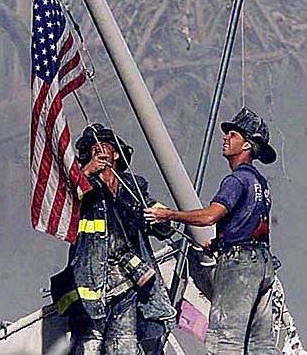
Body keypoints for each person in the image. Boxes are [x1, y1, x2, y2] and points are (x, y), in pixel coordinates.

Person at [144, 107, 279, 354]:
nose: (225, 138)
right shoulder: (260, 182)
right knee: (261, 344)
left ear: (247, 145)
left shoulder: (237, 180)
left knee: (225, 340)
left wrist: (168, 214)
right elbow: (251, 223)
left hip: (239, 266)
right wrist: (219, 242)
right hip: (262, 263)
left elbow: (209, 217)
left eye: (234, 135)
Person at [50, 123, 176, 355]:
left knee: (123, 344)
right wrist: (85, 172)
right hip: (89, 282)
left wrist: (164, 219)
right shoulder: (83, 187)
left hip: (128, 280)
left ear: (116, 153)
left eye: (103, 145)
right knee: (89, 344)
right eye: (91, 148)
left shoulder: (133, 188)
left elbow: (162, 225)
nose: (97, 150)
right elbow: (64, 205)